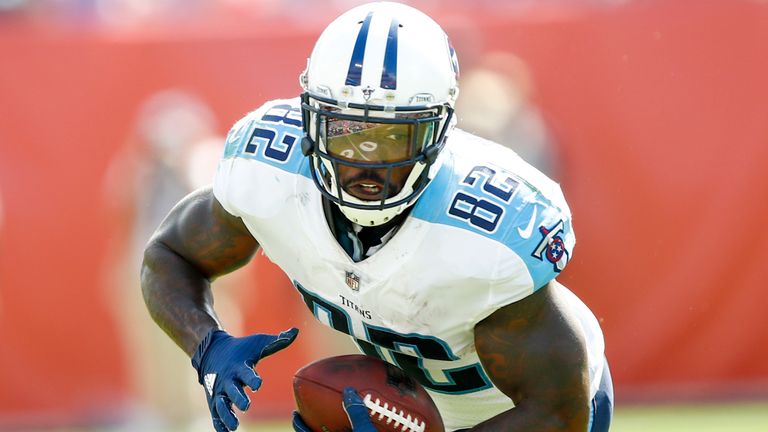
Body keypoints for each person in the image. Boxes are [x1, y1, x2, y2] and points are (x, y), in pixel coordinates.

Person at [140, 2, 613, 431]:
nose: (368, 162)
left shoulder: (488, 233)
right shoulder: (271, 172)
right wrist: (209, 346)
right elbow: (169, 253)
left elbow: (557, 410)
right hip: (415, 405)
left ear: (440, 131)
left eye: (393, 137)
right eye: (346, 131)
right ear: (310, 122)